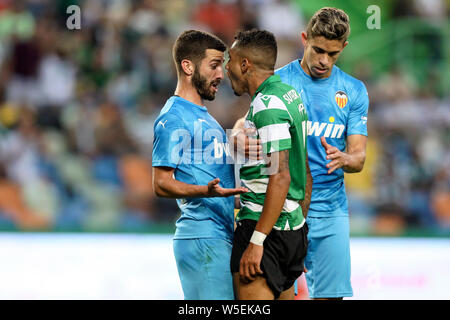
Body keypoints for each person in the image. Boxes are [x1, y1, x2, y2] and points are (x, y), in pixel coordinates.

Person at [275, 7, 369, 299]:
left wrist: (345, 159)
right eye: (318, 50)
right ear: (304, 39)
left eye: (333, 54)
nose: (324, 60)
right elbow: (251, 128)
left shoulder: (353, 91)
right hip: (283, 209)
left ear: (344, 47)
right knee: (274, 296)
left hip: (331, 210)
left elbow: (358, 157)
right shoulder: (277, 83)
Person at [152, 30, 248, 300]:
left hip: (221, 234)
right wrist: (205, 192)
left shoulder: (207, 119)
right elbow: (160, 183)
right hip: (200, 235)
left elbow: (220, 185)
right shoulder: (173, 118)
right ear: (188, 66)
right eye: (214, 65)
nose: (221, 74)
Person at [226, 29, 312, 300]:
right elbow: (305, 172)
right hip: (290, 229)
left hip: (263, 229)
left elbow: (281, 176)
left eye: (230, 59)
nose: (226, 67)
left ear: (244, 64)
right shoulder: (289, 96)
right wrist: (298, 229)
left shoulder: (267, 107)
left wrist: (256, 242)